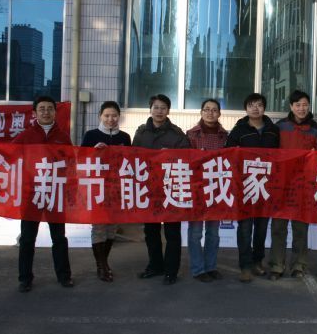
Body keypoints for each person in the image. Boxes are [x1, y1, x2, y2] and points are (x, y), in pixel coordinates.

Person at [13, 96, 73, 292]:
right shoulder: (26, 136)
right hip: (32, 193)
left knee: (59, 237)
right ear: (35, 113)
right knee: (28, 238)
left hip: (55, 192)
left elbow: (72, 162)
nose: (46, 112)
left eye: (49, 108)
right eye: (42, 109)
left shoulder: (63, 137)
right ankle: (25, 279)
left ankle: (64, 276)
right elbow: (7, 153)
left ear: (55, 112)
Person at [268, 90, 317, 281]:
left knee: (300, 229)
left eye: (305, 105)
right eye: (298, 105)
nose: (301, 108)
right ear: (291, 107)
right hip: (281, 185)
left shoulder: (316, 130)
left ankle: (299, 265)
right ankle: (276, 265)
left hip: (304, 185)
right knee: (278, 227)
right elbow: (269, 152)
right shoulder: (280, 127)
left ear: (309, 106)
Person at [133, 94, 191, 285]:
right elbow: (133, 157)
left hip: (171, 187)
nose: (159, 111)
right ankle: (155, 266)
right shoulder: (141, 133)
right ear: (150, 109)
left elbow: (187, 157)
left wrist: (170, 155)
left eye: (163, 108)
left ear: (168, 110)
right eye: (156, 107)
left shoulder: (177, 133)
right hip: (149, 188)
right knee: (151, 231)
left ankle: (171, 270)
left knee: (172, 232)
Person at [225, 93, 280, 283]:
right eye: (251, 105)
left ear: (264, 108)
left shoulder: (273, 130)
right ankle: (245, 266)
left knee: (261, 228)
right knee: (245, 228)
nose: (255, 108)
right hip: (245, 186)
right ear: (245, 108)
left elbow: (281, 156)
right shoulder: (238, 130)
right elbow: (228, 155)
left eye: (259, 105)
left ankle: (258, 262)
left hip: (266, 185)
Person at [81, 101, 131, 282]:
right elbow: (80, 161)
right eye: (107, 115)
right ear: (100, 116)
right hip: (97, 189)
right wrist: (94, 152)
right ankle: (101, 266)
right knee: (99, 227)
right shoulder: (91, 135)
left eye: (114, 115)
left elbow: (130, 162)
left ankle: (104, 262)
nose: (111, 119)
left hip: (117, 189)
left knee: (112, 228)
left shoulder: (125, 137)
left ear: (119, 117)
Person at [186, 99, 228, 283]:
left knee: (213, 232)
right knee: (195, 233)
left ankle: (211, 267)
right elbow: (185, 161)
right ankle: (198, 269)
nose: (210, 113)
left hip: (217, 189)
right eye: (207, 109)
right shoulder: (191, 135)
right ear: (201, 112)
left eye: (214, 110)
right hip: (197, 189)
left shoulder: (225, 137)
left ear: (219, 113)